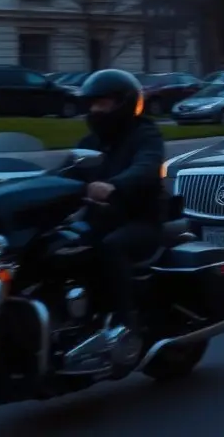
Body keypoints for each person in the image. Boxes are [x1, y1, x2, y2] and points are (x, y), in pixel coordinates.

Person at [70, 68, 166, 362]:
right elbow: (65, 170)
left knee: (112, 247)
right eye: (93, 103)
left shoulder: (145, 134)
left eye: (104, 103)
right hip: (100, 220)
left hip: (141, 221)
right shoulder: (90, 143)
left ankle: (127, 326)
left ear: (124, 103)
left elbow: (145, 167)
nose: (96, 109)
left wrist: (114, 186)